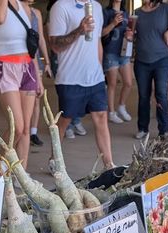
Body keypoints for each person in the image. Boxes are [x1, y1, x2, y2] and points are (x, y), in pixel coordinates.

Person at [48, 0, 114, 169]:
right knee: (64, 120)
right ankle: (54, 159)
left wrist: (100, 71)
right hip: (70, 78)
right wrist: (79, 30)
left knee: (101, 117)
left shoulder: (97, 7)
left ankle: (109, 165)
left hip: (95, 77)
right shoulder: (61, 7)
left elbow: (97, 42)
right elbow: (55, 45)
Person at [0, 0, 43, 169]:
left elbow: (30, 46)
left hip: (27, 68)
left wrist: (38, 78)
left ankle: (22, 175)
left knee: (26, 128)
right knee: (17, 127)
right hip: (5, 67)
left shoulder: (25, 7)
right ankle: (0, 162)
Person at [131, 0, 168, 141]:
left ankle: (164, 131)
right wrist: (129, 36)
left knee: (161, 93)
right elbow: (132, 34)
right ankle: (143, 128)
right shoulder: (137, 13)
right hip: (141, 61)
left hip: (162, 60)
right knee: (144, 96)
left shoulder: (165, 9)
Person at [26, 0, 52, 147]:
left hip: (36, 61)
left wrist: (47, 61)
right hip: (20, 62)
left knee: (36, 98)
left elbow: (41, 38)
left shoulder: (36, 13)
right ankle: (21, 130)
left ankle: (33, 133)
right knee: (23, 100)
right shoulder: (14, 12)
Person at [101, 0, 133, 123]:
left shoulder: (126, 13)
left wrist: (130, 34)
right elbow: (101, 33)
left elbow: (130, 30)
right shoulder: (106, 12)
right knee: (112, 84)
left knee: (128, 82)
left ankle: (121, 106)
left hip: (124, 51)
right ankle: (112, 112)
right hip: (110, 51)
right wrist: (113, 23)